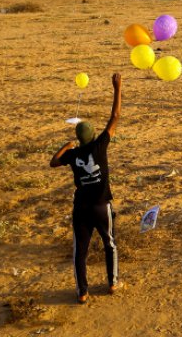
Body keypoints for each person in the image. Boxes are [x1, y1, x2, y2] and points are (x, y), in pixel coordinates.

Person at [50, 73, 123, 304]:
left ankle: (82, 292)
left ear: (79, 140)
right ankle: (113, 283)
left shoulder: (73, 154)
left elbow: (53, 162)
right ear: (93, 136)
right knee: (109, 243)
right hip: (102, 206)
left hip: (81, 208)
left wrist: (67, 145)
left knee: (79, 251)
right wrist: (117, 87)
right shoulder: (101, 146)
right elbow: (115, 116)